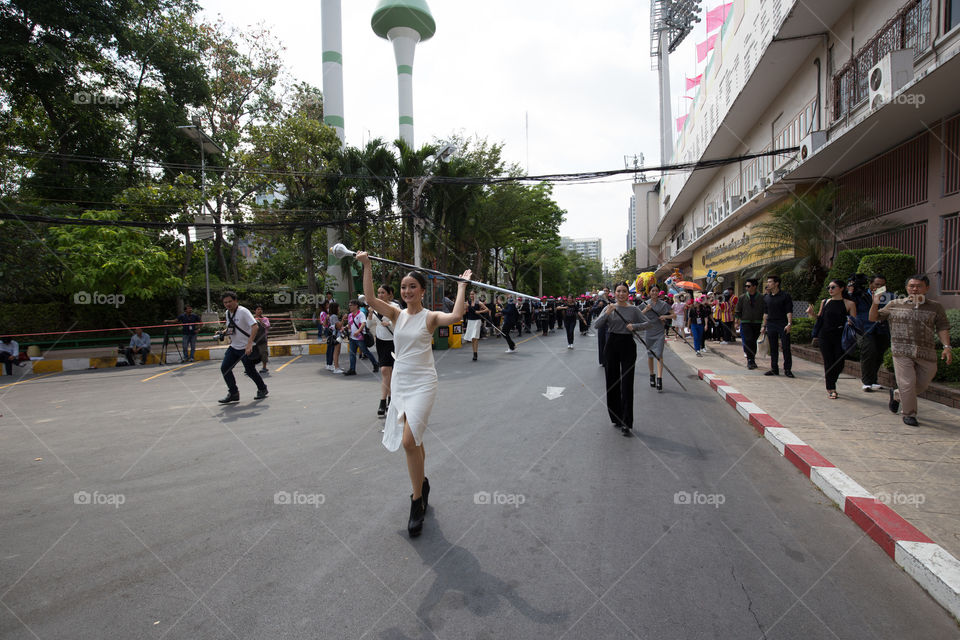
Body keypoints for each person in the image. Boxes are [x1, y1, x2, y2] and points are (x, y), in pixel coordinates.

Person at [356, 250, 470, 537]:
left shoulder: (430, 317)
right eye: (404, 287)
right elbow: (370, 299)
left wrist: (461, 285)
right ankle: (423, 484)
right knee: (414, 440)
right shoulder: (396, 314)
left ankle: (416, 501)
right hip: (401, 381)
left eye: (412, 287)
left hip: (423, 383)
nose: (407, 291)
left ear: (422, 291)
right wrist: (367, 265)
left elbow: (456, 315)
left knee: (408, 441)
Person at [870, 274, 952, 426]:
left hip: (926, 352)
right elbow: (874, 318)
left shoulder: (936, 307)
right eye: (911, 286)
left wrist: (947, 347)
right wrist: (875, 303)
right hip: (901, 351)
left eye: (919, 286)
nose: (915, 289)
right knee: (907, 383)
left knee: (922, 383)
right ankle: (909, 414)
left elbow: (943, 327)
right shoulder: (894, 304)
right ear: (906, 288)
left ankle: (896, 395)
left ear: (927, 288)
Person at [594, 282, 652, 437]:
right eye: (618, 291)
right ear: (614, 293)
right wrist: (607, 313)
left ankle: (627, 422)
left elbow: (648, 323)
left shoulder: (633, 309)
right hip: (611, 344)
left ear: (628, 294)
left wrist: (635, 326)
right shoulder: (609, 308)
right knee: (612, 382)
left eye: (624, 291)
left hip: (627, 345)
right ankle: (616, 417)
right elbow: (596, 325)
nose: (621, 294)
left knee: (627, 383)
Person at [218, 291, 268, 403]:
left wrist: (249, 344)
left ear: (236, 301)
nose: (228, 304)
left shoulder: (243, 311)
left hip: (246, 348)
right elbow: (231, 328)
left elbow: (255, 327)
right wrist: (223, 332)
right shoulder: (227, 313)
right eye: (225, 302)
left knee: (250, 371)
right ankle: (233, 393)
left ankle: (262, 389)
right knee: (225, 368)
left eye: (230, 301)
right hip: (234, 347)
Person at [813, 279, 857, 399]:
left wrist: (850, 321)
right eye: (829, 288)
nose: (830, 290)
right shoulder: (825, 302)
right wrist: (812, 314)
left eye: (833, 287)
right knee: (828, 361)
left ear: (841, 288)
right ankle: (831, 388)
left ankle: (832, 381)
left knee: (839, 362)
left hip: (840, 336)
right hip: (825, 335)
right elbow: (819, 319)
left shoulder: (849, 303)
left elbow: (854, 321)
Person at [637, 285, 675, 391]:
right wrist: (645, 309)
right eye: (652, 291)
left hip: (659, 332)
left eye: (656, 291)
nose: (654, 293)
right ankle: (652, 375)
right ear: (649, 293)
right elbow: (637, 315)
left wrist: (665, 316)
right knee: (650, 355)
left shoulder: (663, 304)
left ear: (659, 292)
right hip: (649, 332)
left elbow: (674, 315)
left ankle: (659, 378)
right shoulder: (645, 303)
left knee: (659, 354)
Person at [372, 284, 402, 417]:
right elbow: (370, 325)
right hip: (380, 341)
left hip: (393, 341)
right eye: (378, 293)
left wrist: (389, 323)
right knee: (385, 370)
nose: (380, 295)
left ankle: (384, 401)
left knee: (391, 372)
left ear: (390, 294)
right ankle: (387, 400)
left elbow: (401, 321)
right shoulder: (374, 307)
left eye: (383, 292)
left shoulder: (395, 307)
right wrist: (368, 316)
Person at [858, 274, 891, 392]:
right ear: (870, 284)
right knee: (869, 353)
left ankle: (873, 380)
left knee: (879, 355)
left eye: (882, 285)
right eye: (877, 284)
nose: (879, 287)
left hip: (883, 330)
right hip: (866, 330)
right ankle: (866, 382)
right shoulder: (861, 296)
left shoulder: (889, 297)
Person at [761, 275, 795, 377]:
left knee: (785, 347)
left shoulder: (785, 296)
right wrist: (764, 326)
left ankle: (787, 369)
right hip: (771, 324)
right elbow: (766, 313)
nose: (768, 284)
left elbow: (789, 311)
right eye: (768, 282)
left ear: (777, 283)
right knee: (773, 347)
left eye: (770, 282)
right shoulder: (766, 297)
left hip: (782, 324)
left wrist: (789, 324)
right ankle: (774, 368)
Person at [735, 279, 765, 369]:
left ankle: (752, 359)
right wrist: (736, 322)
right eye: (746, 286)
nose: (746, 288)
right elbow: (737, 310)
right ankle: (749, 360)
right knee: (748, 340)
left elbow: (765, 311)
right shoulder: (742, 297)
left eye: (748, 286)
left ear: (754, 286)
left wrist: (764, 324)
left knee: (753, 341)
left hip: (757, 322)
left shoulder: (761, 297)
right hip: (745, 322)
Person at [343, 299, 378, 376]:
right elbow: (349, 325)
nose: (349, 307)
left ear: (356, 306)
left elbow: (363, 324)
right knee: (352, 354)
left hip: (360, 338)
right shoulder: (350, 315)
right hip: (352, 337)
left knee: (365, 352)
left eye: (351, 305)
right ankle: (352, 369)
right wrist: (345, 328)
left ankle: (375, 364)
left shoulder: (360, 314)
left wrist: (358, 331)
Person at [462, 290, 489, 361]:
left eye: (473, 294)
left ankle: (475, 353)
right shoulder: (468, 303)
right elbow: (464, 313)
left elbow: (487, 309)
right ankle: (474, 352)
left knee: (475, 337)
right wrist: (464, 307)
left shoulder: (478, 302)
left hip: (477, 321)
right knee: (472, 338)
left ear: (476, 295)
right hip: (470, 321)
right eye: (470, 294)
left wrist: (479, 311)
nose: (471, 296)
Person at [325, 301, 344, 374]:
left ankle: (336, 365)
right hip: (336, 335)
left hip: (334, 334)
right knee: (336, 351)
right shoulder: (334, 316)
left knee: (335, 351)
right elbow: (338, 326)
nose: (339, 309)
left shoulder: (330, 316)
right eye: (338, 307)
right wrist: (343, 319)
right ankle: (336, 367)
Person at [595, 287, 610, 367]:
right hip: (601, 324)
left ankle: (608, 359)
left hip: (609, 325)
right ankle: (603, 361)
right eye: (604, 291)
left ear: (609, 292)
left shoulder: (611, 301)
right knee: (601, 342)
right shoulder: (598, 302)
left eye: (606, 291)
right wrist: (598, 306)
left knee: (608, 342)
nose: (605, 292)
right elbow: (592, 310)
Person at [253, 305, 270, 373]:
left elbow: (267, 326)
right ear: (255, 311)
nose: (260, 311)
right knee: (252, 353)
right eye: (258, 309)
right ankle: (251, 367)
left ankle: (264, 367)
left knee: (264, 353)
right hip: (253, 339)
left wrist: (261, 321)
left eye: (261, 309)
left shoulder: (265, 319)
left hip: (262, 339)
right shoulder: (252, 319)